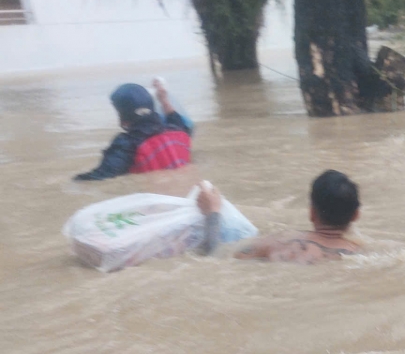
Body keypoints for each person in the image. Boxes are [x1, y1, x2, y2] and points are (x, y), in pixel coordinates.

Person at [195, 170, 363, 263]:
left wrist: (213, 212)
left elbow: (213, 256)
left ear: (311, 212)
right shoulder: (360, 253)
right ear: (356, 215)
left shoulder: (280, 243)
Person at [74, 80, 193, 181]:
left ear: (123, 116)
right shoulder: (177, 130)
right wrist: (164, 100)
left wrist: (75, 180)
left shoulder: (127, 145)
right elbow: (174, 118)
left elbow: (102, 176)